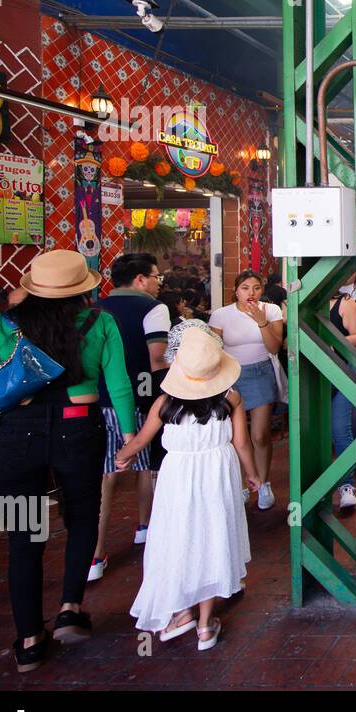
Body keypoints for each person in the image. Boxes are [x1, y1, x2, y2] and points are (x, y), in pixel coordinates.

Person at [0, 250, 138, 673]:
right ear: (82, 288)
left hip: (14, 434)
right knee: (83, 516)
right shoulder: (99, 322)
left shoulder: (2, 325)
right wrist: (128, 437)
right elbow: (119, 386)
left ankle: (30, 640)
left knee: (23, 537)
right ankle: (70, 607)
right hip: (78, 428)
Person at [117, 327, 259, 650]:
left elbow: (141, 440)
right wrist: (253, 474)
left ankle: (182, 613)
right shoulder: (231, 397)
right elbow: (241, 443)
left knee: (179, 537)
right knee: (212, 538)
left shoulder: (166, 402)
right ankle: (206, 626)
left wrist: (122, 457)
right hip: (218, 474)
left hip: (177, 477)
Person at [88, 252, 170, 582]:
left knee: (104, 474)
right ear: (140, 280)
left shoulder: (96, 308)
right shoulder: (154, 308)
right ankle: (144, 526)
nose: (158, 282)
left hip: (96, 395)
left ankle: (94, 555)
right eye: (156, 276)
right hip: (140, 393)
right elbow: (156, 357)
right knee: (145, 462)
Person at [207, 271, 283, 509]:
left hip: (261, 371)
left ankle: (263, 482)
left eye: (256, 288)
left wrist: (261, 320)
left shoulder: (271, 311)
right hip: (231, 375)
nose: (251, 293)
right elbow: (215, 350)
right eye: (245, 288)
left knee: (259, 434)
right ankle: (242, 482)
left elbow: (274, 347)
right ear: (236, 290)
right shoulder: (221, 315)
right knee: (234, 434)